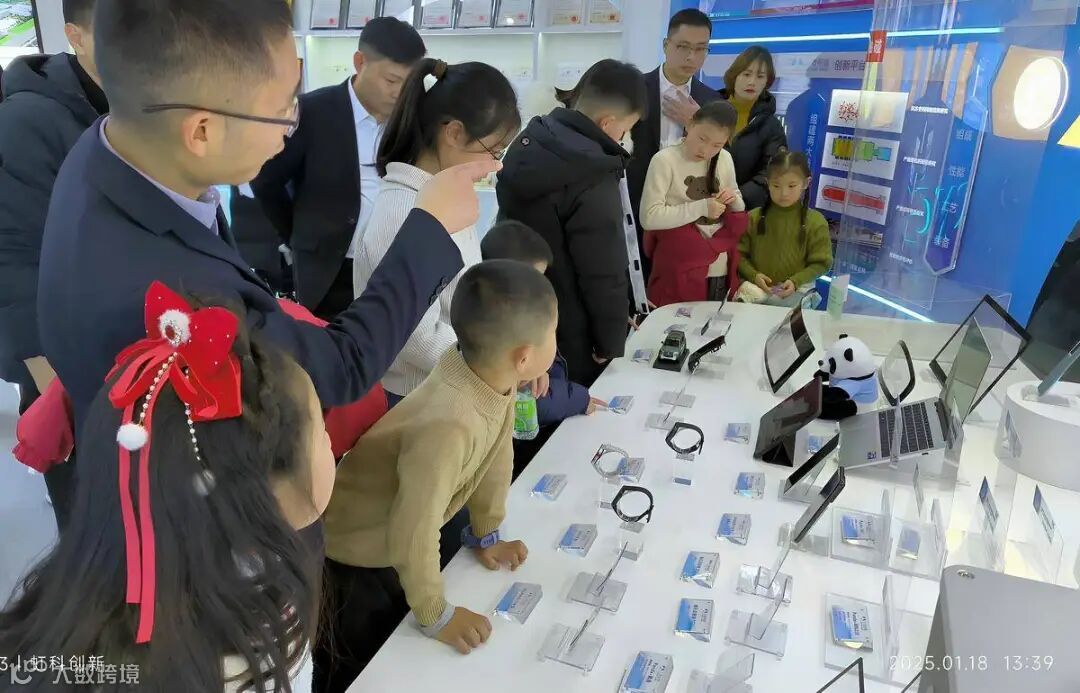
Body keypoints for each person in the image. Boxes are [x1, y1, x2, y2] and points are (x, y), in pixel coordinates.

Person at [37, 0, 496, 447]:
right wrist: (429, 227)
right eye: (281, 111)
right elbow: (340, 369)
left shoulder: (106, 149)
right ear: (202, 131)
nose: (288, 130)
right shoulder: (181, 290)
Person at [0, 285, 334, 692]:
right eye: (324, 435)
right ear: (261, 497)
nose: (330, 444)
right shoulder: (247, 662)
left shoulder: (69, 604)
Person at [317, 260, 556, 692]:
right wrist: (436, 615)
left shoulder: (487, 377)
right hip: (357, 556)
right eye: (553, 333)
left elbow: (495, 458)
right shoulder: (450, 424)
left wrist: (486, 534)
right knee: (369, 666)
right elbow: (414, 524)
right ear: (524, 357)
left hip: (402, 535)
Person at [354, 58, 520, 403]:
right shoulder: (404, 210)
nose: (497, 165)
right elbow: (418, 337)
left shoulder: (443, 193)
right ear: (454, 133)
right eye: (493, 151)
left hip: (451, 380)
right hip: (417, 395)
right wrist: (494, 360)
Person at [0, 0, 106, 529]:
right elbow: (16, 262)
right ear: (76, 36)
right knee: (100, 540)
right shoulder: (28, 120)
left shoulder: (143, 108)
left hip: (147, 365)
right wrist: (65, 399)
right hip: (76, 378)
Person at [252, 18, 426, 319]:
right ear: (360, 62)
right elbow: (267, 182)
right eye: (391, 81)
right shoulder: (312, 112)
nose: (399, 93)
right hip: (329, 268)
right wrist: (298, 235)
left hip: (391, 267)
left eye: (408, 84)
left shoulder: (412, 120)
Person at [497, 59, 647, 386]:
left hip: (518, 315)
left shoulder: (531, 140)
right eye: (627, 127)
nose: (624, 137)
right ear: (608, 122)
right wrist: (609, 340)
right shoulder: (592, 171)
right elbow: (602, 269)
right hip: (573, 331)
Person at [479, 220, 606, 476]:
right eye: (535, 278)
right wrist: (578, 399)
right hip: (515, 459)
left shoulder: (515, 314)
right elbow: (534, 402)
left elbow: (547, 369)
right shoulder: (502, 334)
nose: (541, 286)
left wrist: (543, 371)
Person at [627, 9, 720, 281]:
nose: (691, 57)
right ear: (666, 45)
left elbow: (720, 157)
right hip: (634, 204)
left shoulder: (712, 101)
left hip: (687, 212)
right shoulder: (634, 89)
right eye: (683, 47)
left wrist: (697, 124)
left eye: (701, 49)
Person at [640, 100, 749, 306]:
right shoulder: (664, 160)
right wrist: (702, 207)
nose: (705, 150)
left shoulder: (724, 158)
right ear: (689, 124)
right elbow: (649, 216)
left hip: (720, 267)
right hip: (678, 265)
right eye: (702, 139)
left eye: (717, 145)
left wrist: (734, 201)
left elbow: (737, 199)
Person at [737, 149, 833, 306]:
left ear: (806, 183)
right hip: (756, 294)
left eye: (791, 186)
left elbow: (822, 262)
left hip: (796, 294)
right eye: (776, 186)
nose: (784, 193)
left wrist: (796, 281)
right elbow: (738, 255)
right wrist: (754, 275)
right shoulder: (753, 217)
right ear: (767, 183)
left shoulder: (816, 222)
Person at [719, 45, 788, 210]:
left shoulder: (771, 126)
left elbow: (771, 172)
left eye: (760, 76)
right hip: (701, 204)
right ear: (734, 76)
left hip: (745, 211)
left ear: (767, 82)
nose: (752, 82)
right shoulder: (710, 110)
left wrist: (736, 199)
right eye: (746, 74)